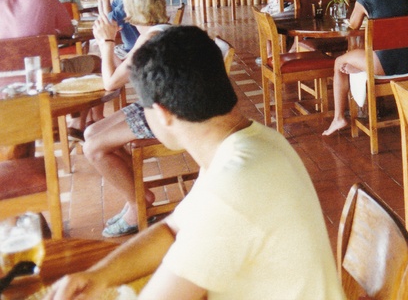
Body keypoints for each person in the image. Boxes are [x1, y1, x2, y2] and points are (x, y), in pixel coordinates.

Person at [47, 26, 346, 300]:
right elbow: (173, 230)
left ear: (162, 114)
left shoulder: (236, 183)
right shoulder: (252, 143)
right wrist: (99, 276)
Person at [83, 0, 173, 237]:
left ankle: (137, 205)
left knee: (93, 147)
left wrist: (106, 43)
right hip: (156, 104)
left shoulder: (149, 38)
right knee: (91, 133)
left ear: (129, 14)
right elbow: (124, 68)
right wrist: (109, 45)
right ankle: (138, 195)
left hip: (166, 114)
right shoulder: (159, 30)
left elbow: (110, 84)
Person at [323, 0, 408, 136]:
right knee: (362, 54)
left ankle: (339, 118)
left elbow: (353, 26)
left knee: (339, 62)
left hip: (384, 65)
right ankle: (361, 68)